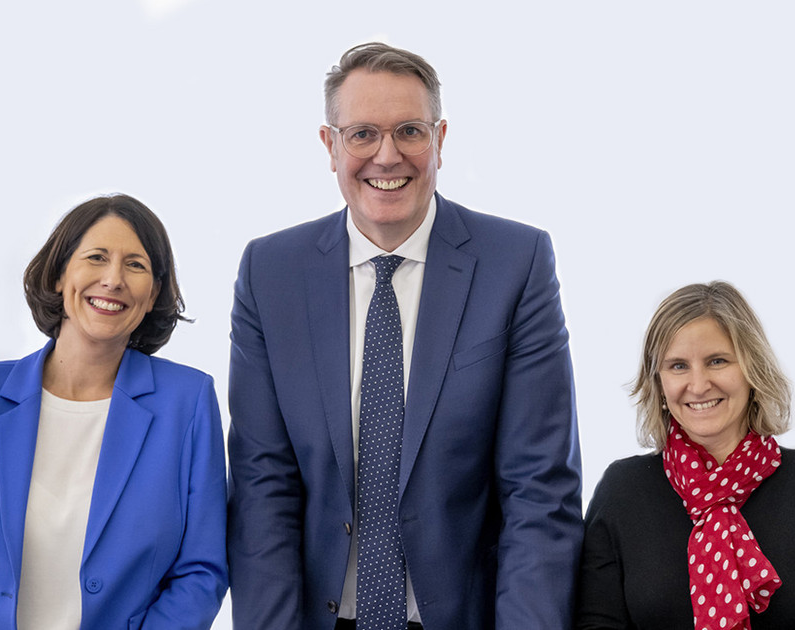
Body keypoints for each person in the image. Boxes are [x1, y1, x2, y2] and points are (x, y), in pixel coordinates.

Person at [227, 43, 584, 630]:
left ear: (440, 139)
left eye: (410, 131)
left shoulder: (515, 264)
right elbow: (263, 486)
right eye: (363, 133)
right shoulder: (271, 273)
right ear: (330, 145)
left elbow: (538, 491)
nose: (387, 156)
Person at [0, 194, 227, 630]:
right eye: (96, 257)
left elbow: (201, 572)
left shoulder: (188, 402)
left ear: (154, 293)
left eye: (136, 265)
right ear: (58, 274)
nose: (113, 279)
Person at [575, 282, 795, 630]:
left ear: (751, 368)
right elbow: (595, 624)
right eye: (678, 366)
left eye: (717, 361)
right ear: (658, 382)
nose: (698, 385)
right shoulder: (622, 490)